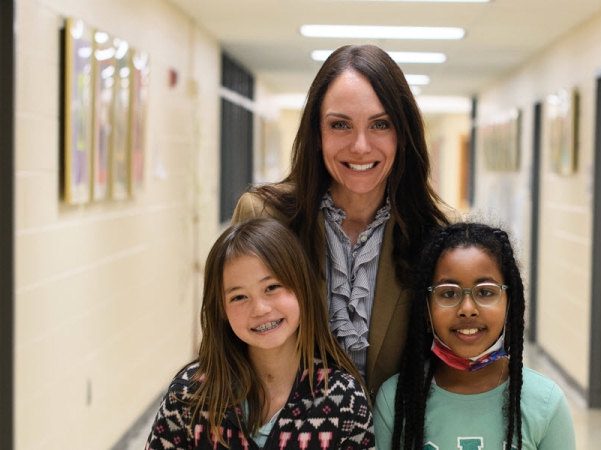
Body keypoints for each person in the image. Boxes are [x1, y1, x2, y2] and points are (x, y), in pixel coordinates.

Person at [232, 44, 453, 396]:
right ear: (317, 134)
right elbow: (228, 342)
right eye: (340, 125)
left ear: (403, 135)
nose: (361, 146)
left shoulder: (436, 234)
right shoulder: (264, 218)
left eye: (381, 124)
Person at [145, 218, 374, 450]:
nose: (260, 309)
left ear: (302, 288)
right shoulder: (189, 395)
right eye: (239, 297)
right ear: (221, 310)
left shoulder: (345, 401)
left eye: (272, 287)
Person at [374, 222, 576, 450]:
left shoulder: (546, 403)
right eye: (449, 293)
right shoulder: (396, 400)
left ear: (510, 303)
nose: (467, 308)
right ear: (426, 310)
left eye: (485, 292)